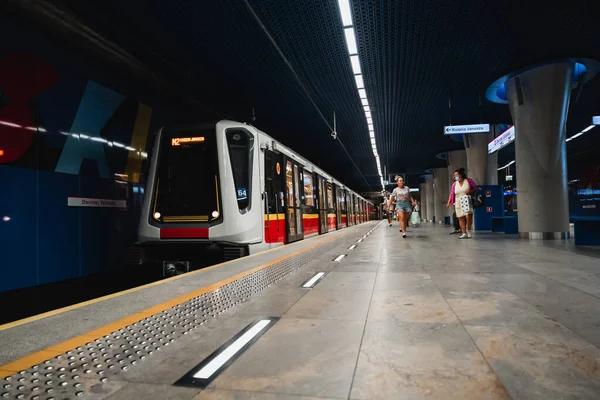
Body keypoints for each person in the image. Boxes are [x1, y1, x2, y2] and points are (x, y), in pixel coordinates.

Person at [446, 168, 478, 239]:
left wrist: (470, 192)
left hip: (467, 199)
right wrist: (449, 202)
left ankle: (468, 229)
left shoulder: (468, 181)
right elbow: (452, 194)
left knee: (468, 215)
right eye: (454, 175)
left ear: (461, 174)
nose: (455, 176)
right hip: (458, 201)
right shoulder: (454, 184)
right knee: (460, 217)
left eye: (456, 174)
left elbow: (475, 188)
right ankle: (464, 233)